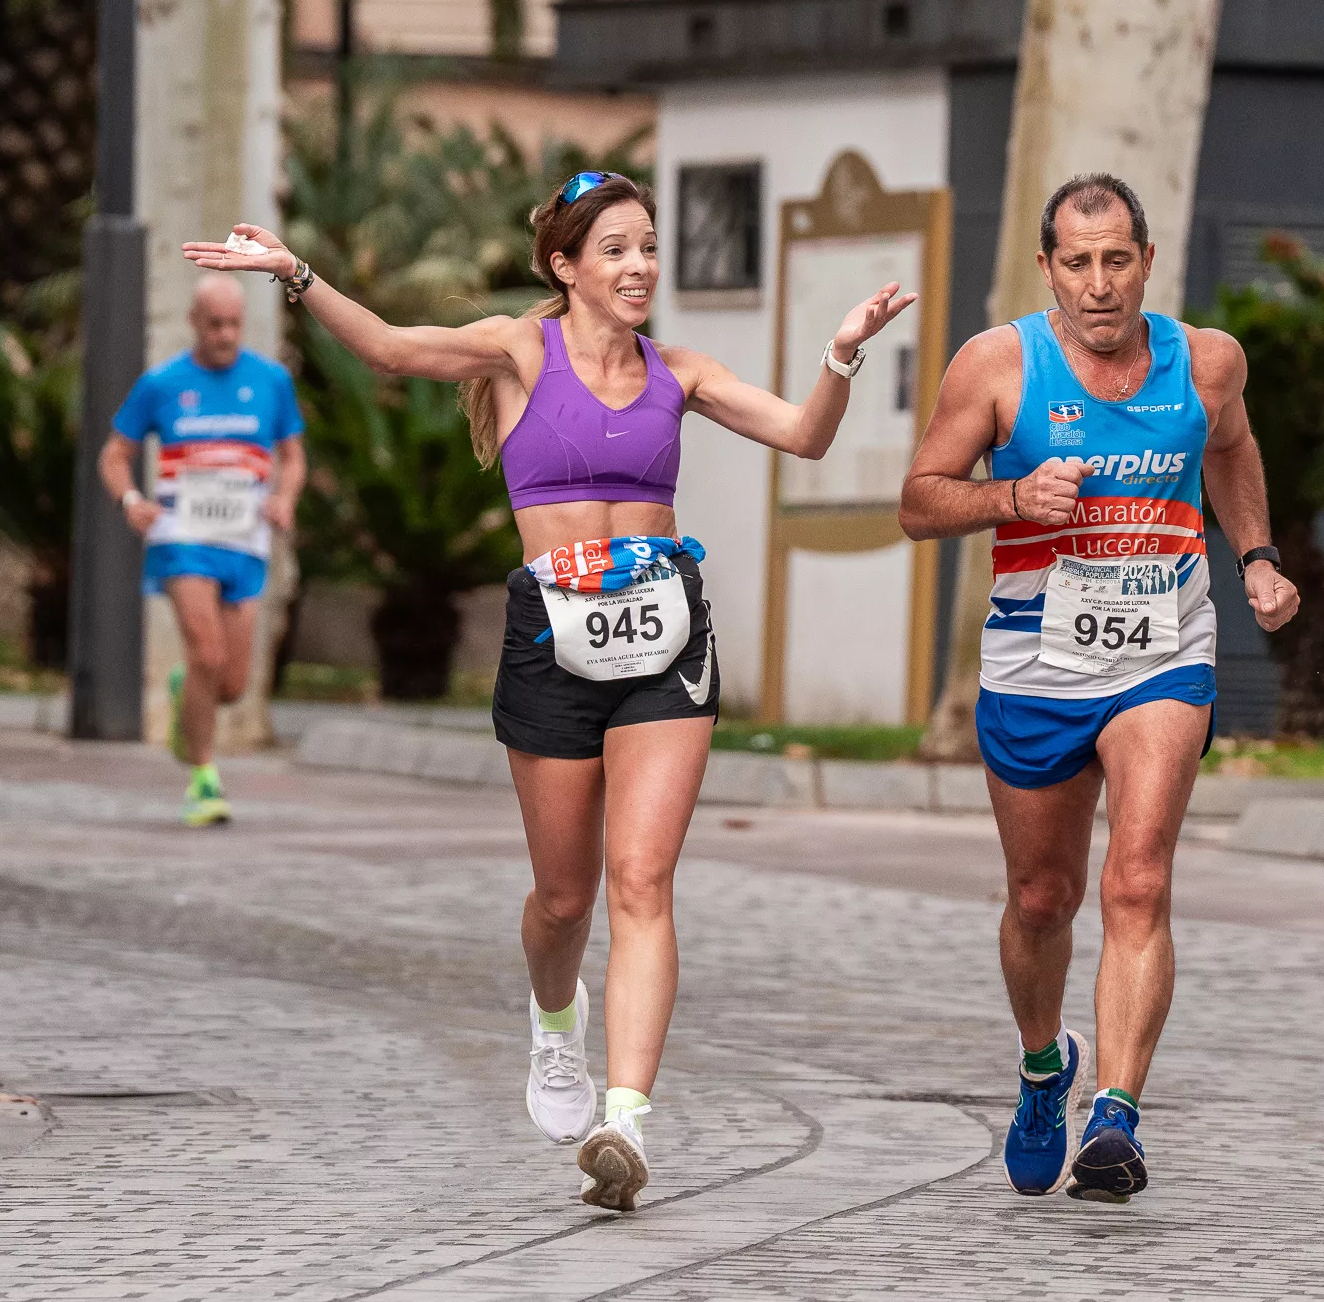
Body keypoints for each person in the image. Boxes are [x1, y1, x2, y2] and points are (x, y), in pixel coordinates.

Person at [184, 175, 910, 1212]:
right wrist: (296, 274)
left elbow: (805, 434)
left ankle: (626, 1117)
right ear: (567, 267)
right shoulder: (522, 353)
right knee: (564, 898)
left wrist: (842, 355)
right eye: (615, 249)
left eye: (649, 247)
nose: (639, 267)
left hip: (663, 639)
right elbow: (392, 347)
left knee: (642, 880)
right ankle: (553, 1018)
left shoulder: (683, 372)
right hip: (554, 642)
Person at [900, 174, 1299, 1203]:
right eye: (1077, 262)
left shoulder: (1206, 361)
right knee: (1043, 896)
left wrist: (1253, 554)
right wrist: (1008, 496)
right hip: (1036, 654)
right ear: (1048, 270)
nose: (1098, 282)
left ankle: (1116, 1112)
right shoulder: (997, 364)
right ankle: (1045, 1065)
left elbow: (1235, 446)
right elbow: (917, 500)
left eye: (1116, 258)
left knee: (1137, 877)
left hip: (1164, 644)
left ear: (1147, 261)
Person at [96, 275, 306, 827]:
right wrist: (131, 500)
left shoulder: (271, 381)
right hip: (181, 537)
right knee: (206, 654)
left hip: (244, 542)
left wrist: (284, 497)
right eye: (214, 323)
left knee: (231, 684)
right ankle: (203, 777)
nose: (225, 334)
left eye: (234, 323)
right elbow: (114, 455)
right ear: (194, 322)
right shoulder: (161, 384)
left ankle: (186, 694)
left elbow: (294, 454)